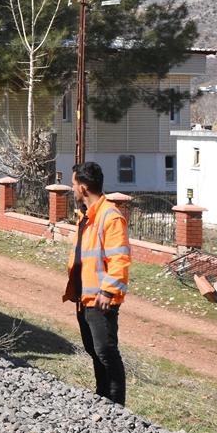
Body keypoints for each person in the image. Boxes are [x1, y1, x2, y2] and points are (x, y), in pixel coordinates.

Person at [62, 161, 130, 405]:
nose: (71, 189)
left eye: (72, 185)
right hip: (84, 298)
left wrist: (109, 291)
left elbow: (119, 258)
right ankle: (102, 397)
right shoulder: (86, 216)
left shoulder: (110, 216)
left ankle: (116, 404)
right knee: (94, 351)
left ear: (83, 187)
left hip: (101, 299)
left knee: (106, 351)